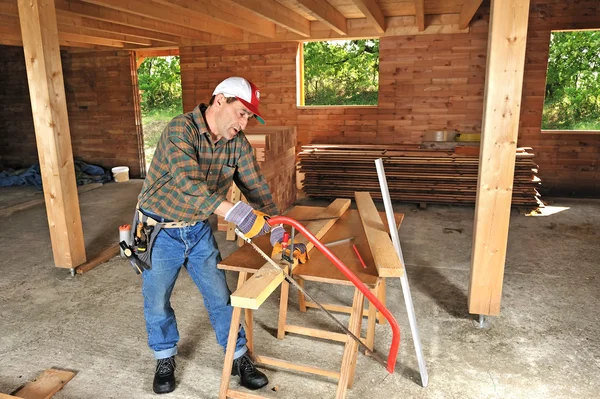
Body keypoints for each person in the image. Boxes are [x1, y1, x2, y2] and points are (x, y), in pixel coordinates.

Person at [133, 77, 305, 394]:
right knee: (156, 300)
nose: (244, 123)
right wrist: (234, 212)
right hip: (158, 230)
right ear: (220, 101)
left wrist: (277, 222)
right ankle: (164, 356)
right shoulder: (179, 130)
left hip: (197, 230)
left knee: (220, 297)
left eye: (249, 118)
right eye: (241, 113)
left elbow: (255, 185)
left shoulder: (236, 144)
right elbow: (189, 184)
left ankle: (238, 357)